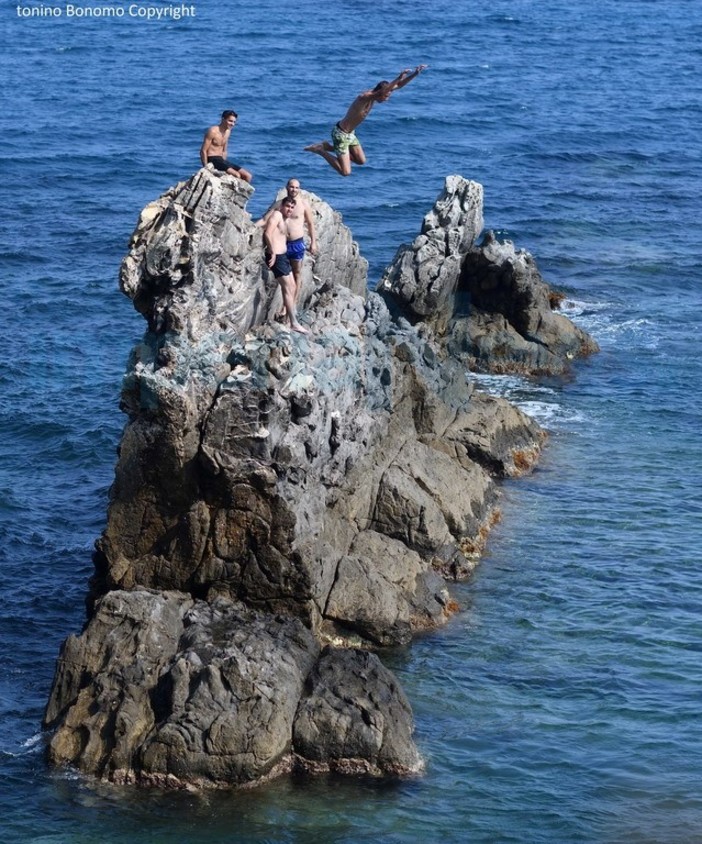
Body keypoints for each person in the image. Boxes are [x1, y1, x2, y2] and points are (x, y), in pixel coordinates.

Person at [304, 65, 428, 176]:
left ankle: (327, 146)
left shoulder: (376, 96)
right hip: (340, 134)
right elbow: (385, 90)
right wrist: (398, 76)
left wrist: (415, 74)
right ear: (380, 93)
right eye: (386, 96)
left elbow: (398, 86)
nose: (386, 99)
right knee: (345, 172)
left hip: (350, 134)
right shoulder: (364, 97)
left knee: (361, 161)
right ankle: (320, 150)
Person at [257, 179, 318, 308]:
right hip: (283, 245)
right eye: (291, 187)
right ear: (286, 187)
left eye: (296, 187)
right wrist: (250, 227)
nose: (294, 190)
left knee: (296, 273)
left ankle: (290, 305)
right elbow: (264, 219)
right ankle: (287, 303)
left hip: (296, 244)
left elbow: (311, 224)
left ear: (299, 189)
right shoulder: (280, 204)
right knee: (285, 275)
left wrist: (313, 242)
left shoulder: (303, 204)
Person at [263, 197, 310, 334]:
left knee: (293, 286)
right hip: (275, 257)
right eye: (287, 206)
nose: (289, 209)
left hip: (282, 257)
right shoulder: (277, 215)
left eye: (291, 207)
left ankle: (290, 317)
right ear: (282, 206)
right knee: (288, 287)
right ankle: (293, 323)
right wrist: (271, 252)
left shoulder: (284, 218)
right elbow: (267, 233)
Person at [200, 110, 253, 183]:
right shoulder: (213, 131)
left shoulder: (228, 131)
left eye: (234, 122)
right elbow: (203, 150)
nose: (232, 124)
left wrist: (225, 165)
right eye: (230, 121)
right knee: (237, 175)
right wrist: (206, 168)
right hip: (212, 159)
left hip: (221, 160)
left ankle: (239, 193)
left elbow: (224, 150)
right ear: (223, 119)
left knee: (248, 176)